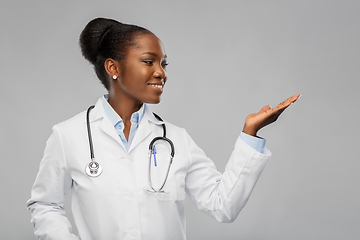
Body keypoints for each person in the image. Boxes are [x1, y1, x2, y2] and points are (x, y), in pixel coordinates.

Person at [27, 17, 300, 240]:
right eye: (149, 61)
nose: (161, 72)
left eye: (163, 63)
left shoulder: (176, 139)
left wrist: (250, 134)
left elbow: (223, 205)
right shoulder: (68, 135)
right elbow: (45, 205)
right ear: (113, 67)